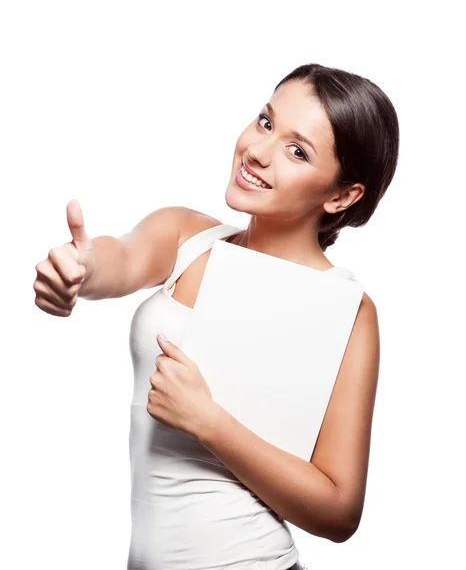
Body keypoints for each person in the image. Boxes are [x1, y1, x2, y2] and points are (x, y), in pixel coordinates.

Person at [33, 63, 399, 570]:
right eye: (266, 121)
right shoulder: (187, 236)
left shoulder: (346, 310)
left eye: (297, 151)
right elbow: (119, 259)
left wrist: (210, 424)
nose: (257, 151)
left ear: (341, 195)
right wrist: (79, 268)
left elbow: (339, 511)